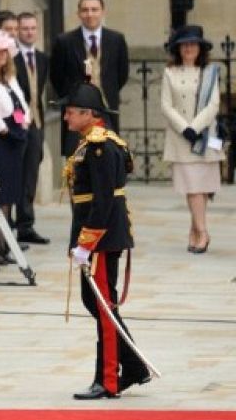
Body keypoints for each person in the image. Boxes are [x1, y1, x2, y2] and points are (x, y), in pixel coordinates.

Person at [58, 82, 151, 400]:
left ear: (88, 114)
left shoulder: (100, 147)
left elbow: (102, 201)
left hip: (101, 237)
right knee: (96, 303)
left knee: (103, 306)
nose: (66, 117)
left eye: (70, 112)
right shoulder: (90, 142)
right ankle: (134, 365)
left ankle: (108, 379)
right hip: (99, 235)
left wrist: (86, 242)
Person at [160, 25, 224, 253]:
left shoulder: (210, 72)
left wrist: (195, 127)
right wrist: (184, 128)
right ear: (178, 48)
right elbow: (166, 105)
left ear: (200, 48)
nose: (189, 48)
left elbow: (214, 104)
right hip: (181, 139)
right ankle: (203, 231)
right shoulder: (170, 72)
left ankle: (196, 231)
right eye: (184, 44)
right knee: (192, 187)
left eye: (193, 44)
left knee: (202, 187)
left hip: (205, 136)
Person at [50, 0, 129, 157]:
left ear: (102, 12)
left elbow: (122, 74)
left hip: (106, 110)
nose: (90, 14)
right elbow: (56, 76)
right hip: (76, 115)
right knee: (77, 160)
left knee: (107, 157)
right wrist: (75, 100)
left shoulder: (116, 40)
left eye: (94, 9)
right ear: (78, 13)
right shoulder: (64, 41)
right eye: (85, 10)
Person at [0, 30, 30, 264]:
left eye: (5, 52)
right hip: (2, 138)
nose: (1, 57)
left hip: (16, 136)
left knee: (11, 193)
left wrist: (23, 122)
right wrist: (4, 129)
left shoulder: (8, 78)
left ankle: (5, 242)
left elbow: (19, 103)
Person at [14, 12, 50, 245]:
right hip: (16, 124)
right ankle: (9, 225)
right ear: (17, 31)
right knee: (14, 174)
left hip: (36, 122)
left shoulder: (43, 58)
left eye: (32, 28)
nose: (29, 32)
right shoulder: (11, 57)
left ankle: (26, 225)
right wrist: (19, 120)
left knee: (30, 175)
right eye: (24, 28)